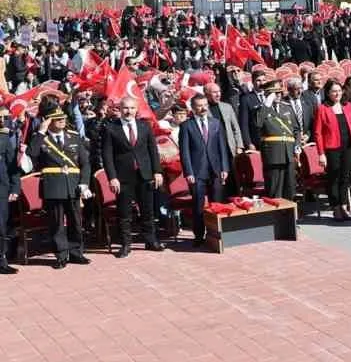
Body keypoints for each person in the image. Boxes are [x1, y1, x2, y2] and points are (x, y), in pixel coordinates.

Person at [99, 95, 164, 255]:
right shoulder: (110, 128)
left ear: (137, 109)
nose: (129, 111)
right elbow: (107, 155)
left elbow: (153, 151)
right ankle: (126, 244)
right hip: (123, 177)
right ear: (120, 110)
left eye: (132, 108)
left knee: (148, 210)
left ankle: (151, 240)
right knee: (125, 213)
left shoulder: (145, 126)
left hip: (145, 174)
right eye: (125, 108)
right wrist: (112, 177)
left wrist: (157, 171)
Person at [28, 104, 92, 268]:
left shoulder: (74, 136)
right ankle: (61, 255)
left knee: (76, 221)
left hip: (73, 184)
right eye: (57, 119)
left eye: (63, 118)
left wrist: (84, 183)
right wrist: (41, 132)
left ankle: (76, 252)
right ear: (48, 121)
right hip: (53, 185)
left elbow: (85, 163)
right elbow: (31, 154)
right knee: (57, 224)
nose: (62, 121)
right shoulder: (40, 138)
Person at [179, 94, 231, 243]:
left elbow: (222, 147)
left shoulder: (215, 123)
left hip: (215, 170)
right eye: (199, 106)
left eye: (205, 105)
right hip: (197, 172)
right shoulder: (186, 126)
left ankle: (216, 233)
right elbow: (185, 152)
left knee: (217, 204)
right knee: (198, 205)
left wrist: (224, 168)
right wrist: (188, 172)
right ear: (193, 108)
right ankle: (199, 236)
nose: (203, 108)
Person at [313, 81, 351, 221]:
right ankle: (335, 207)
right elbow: (318, 133)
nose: (337, 93)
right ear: (328, 93)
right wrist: (321, 153)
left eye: (339, 90)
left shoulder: (348, 106)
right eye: (334, 91)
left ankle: (344, 206)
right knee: (334, 178)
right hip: (331, 148)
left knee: (345, 178)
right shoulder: (323, 108)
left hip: (347, 147)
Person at [253, 77, 299, 200]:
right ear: (267, 94)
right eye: (274, 93)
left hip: (288, 152)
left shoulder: (287, 107)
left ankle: (290, 215)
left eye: (279, 92)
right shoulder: (261, 110)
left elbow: (296, 129)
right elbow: (258, 123)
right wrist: (266, 104)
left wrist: (297, 145)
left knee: (289, 187)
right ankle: (275, 215)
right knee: (274, 188)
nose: (278, 95)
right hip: (273, 154)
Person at [0, 118, 21, 273]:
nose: (1, 120)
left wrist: (15, 188)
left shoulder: (4, 138)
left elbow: (12, 166)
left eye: (3, 118)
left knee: (1, 227)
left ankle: (1, 261)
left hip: (2, 189)